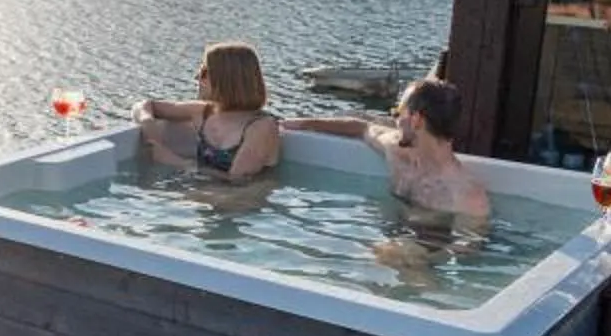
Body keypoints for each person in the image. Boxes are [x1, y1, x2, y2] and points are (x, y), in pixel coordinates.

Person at [287, 76, 492, 235]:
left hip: (422, 253)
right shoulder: (396, 150)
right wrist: (302, 124)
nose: (394, 120)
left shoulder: (466, 196)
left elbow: (465, 252)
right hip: (391, 234)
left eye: (397, 112)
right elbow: (363, 127)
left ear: (416, 120)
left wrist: (415, 253)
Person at [131, 42, 283, 182]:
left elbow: (237, 181)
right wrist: (147, 122)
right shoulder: (204, 112)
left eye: (204, 73)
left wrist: (175, 161)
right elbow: (145, 105)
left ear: (226, 80)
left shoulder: (262, 127)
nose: (197, 78)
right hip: (206, 198)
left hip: (242, 204)